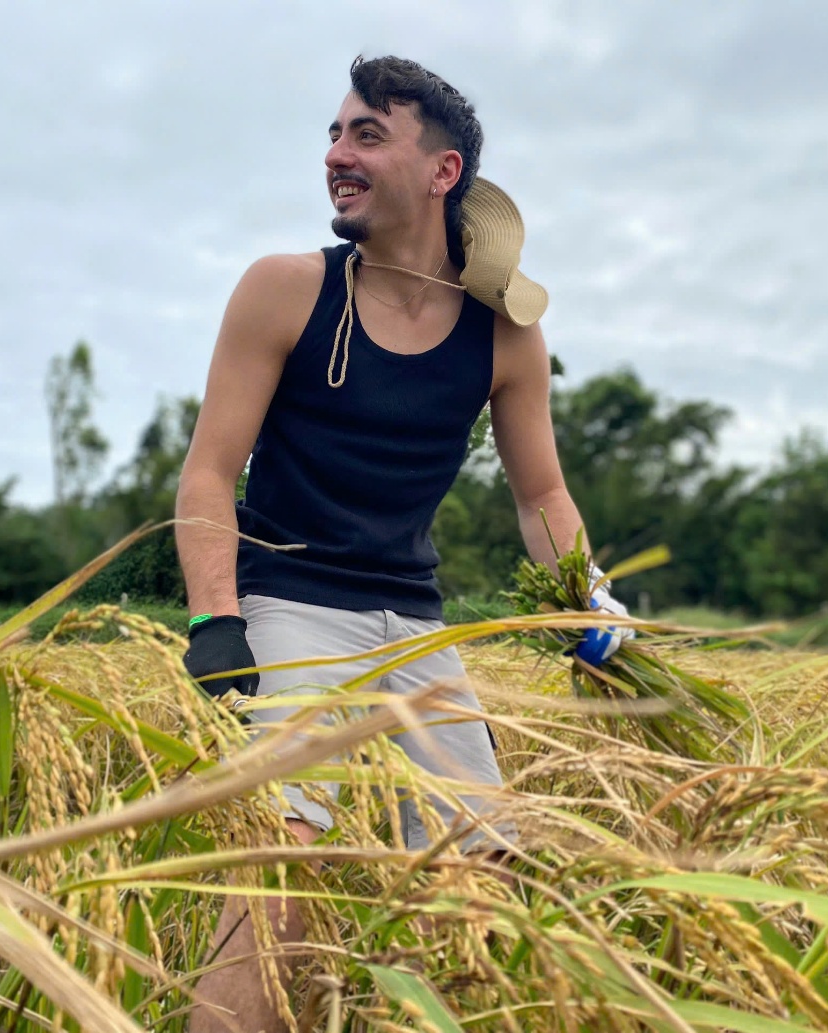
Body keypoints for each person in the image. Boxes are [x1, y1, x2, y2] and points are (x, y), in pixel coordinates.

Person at [175, 54, 631, 1033]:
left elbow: (540, 490)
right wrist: (217, 617)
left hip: (415, 624)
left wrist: (583, 594)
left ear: (441, 171)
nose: (336, 154)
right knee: (281, 853)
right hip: (292, 601)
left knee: (490, 863)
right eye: (334, 135)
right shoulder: (286, 290)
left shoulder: (503, 336)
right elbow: (211, 470)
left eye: (366, 135)